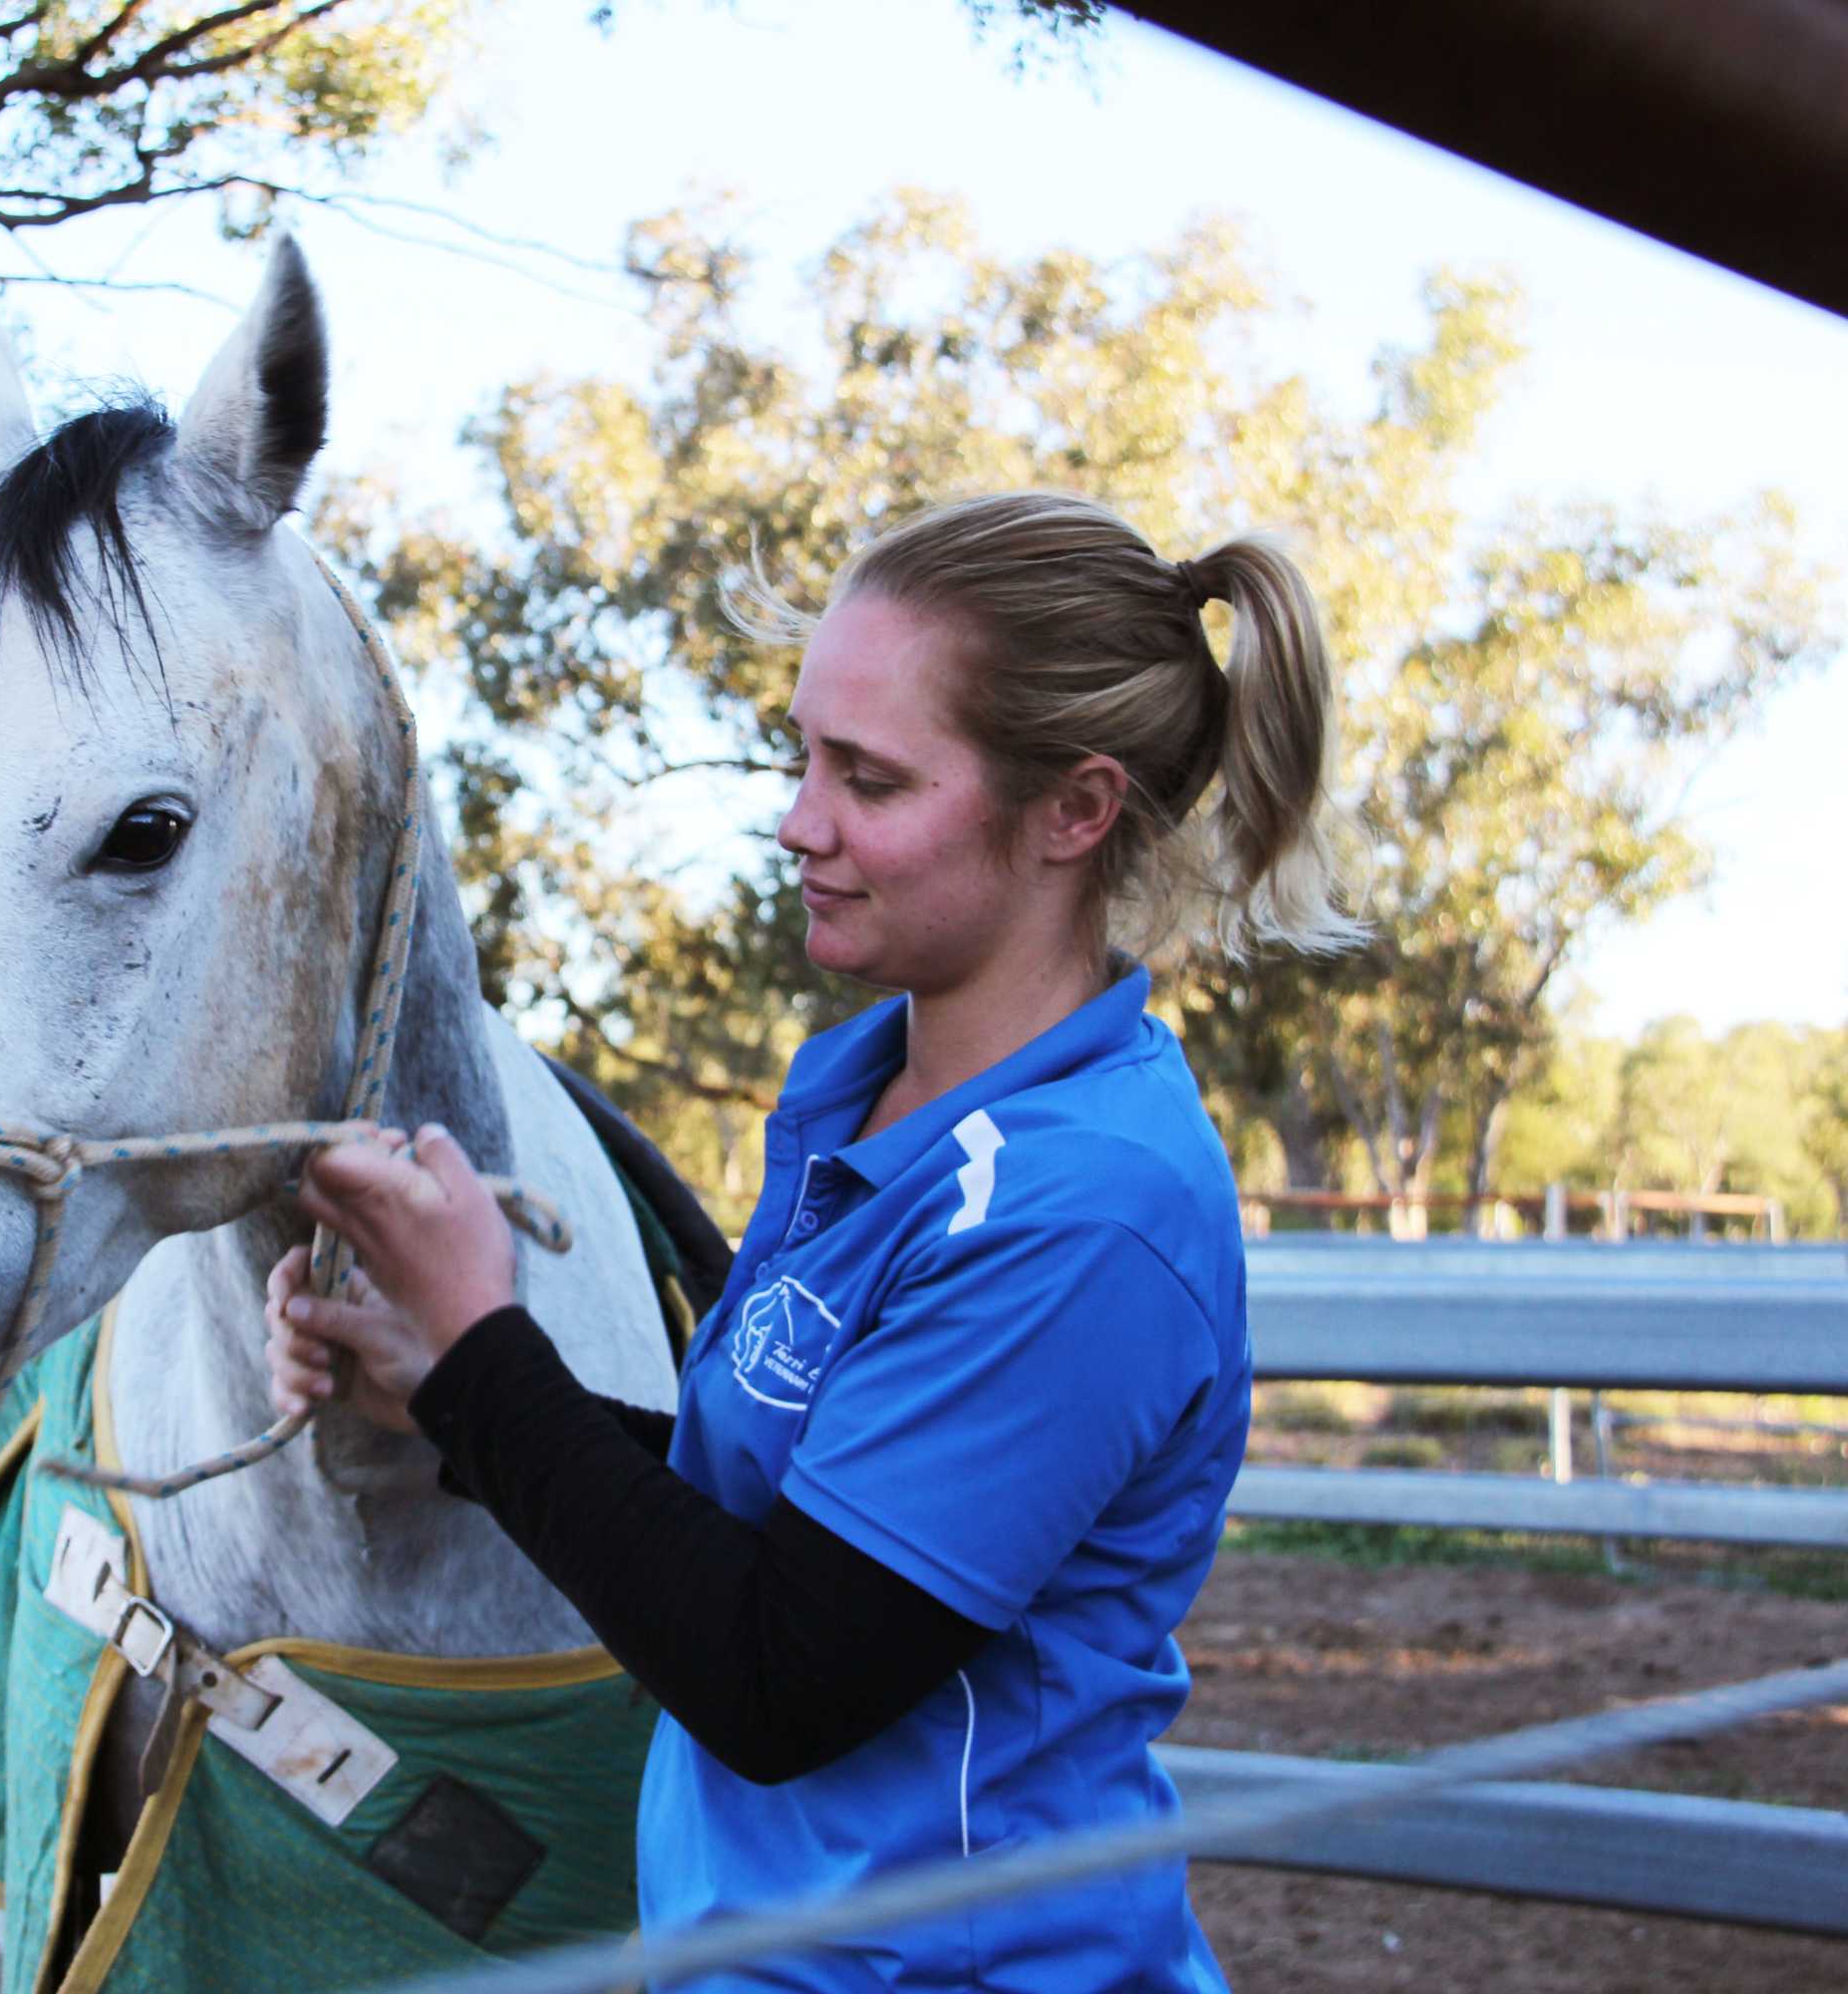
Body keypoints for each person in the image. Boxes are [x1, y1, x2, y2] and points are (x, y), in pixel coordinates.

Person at [265, 491, 1356, 1992]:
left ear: (1077, 811)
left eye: (872, 778)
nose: (800, 820)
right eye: (800, 754)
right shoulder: (872, 1096)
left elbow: (777, 1674)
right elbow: (777, 1516)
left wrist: (487, 1348)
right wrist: (433, 1383)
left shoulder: (1084, 1209)